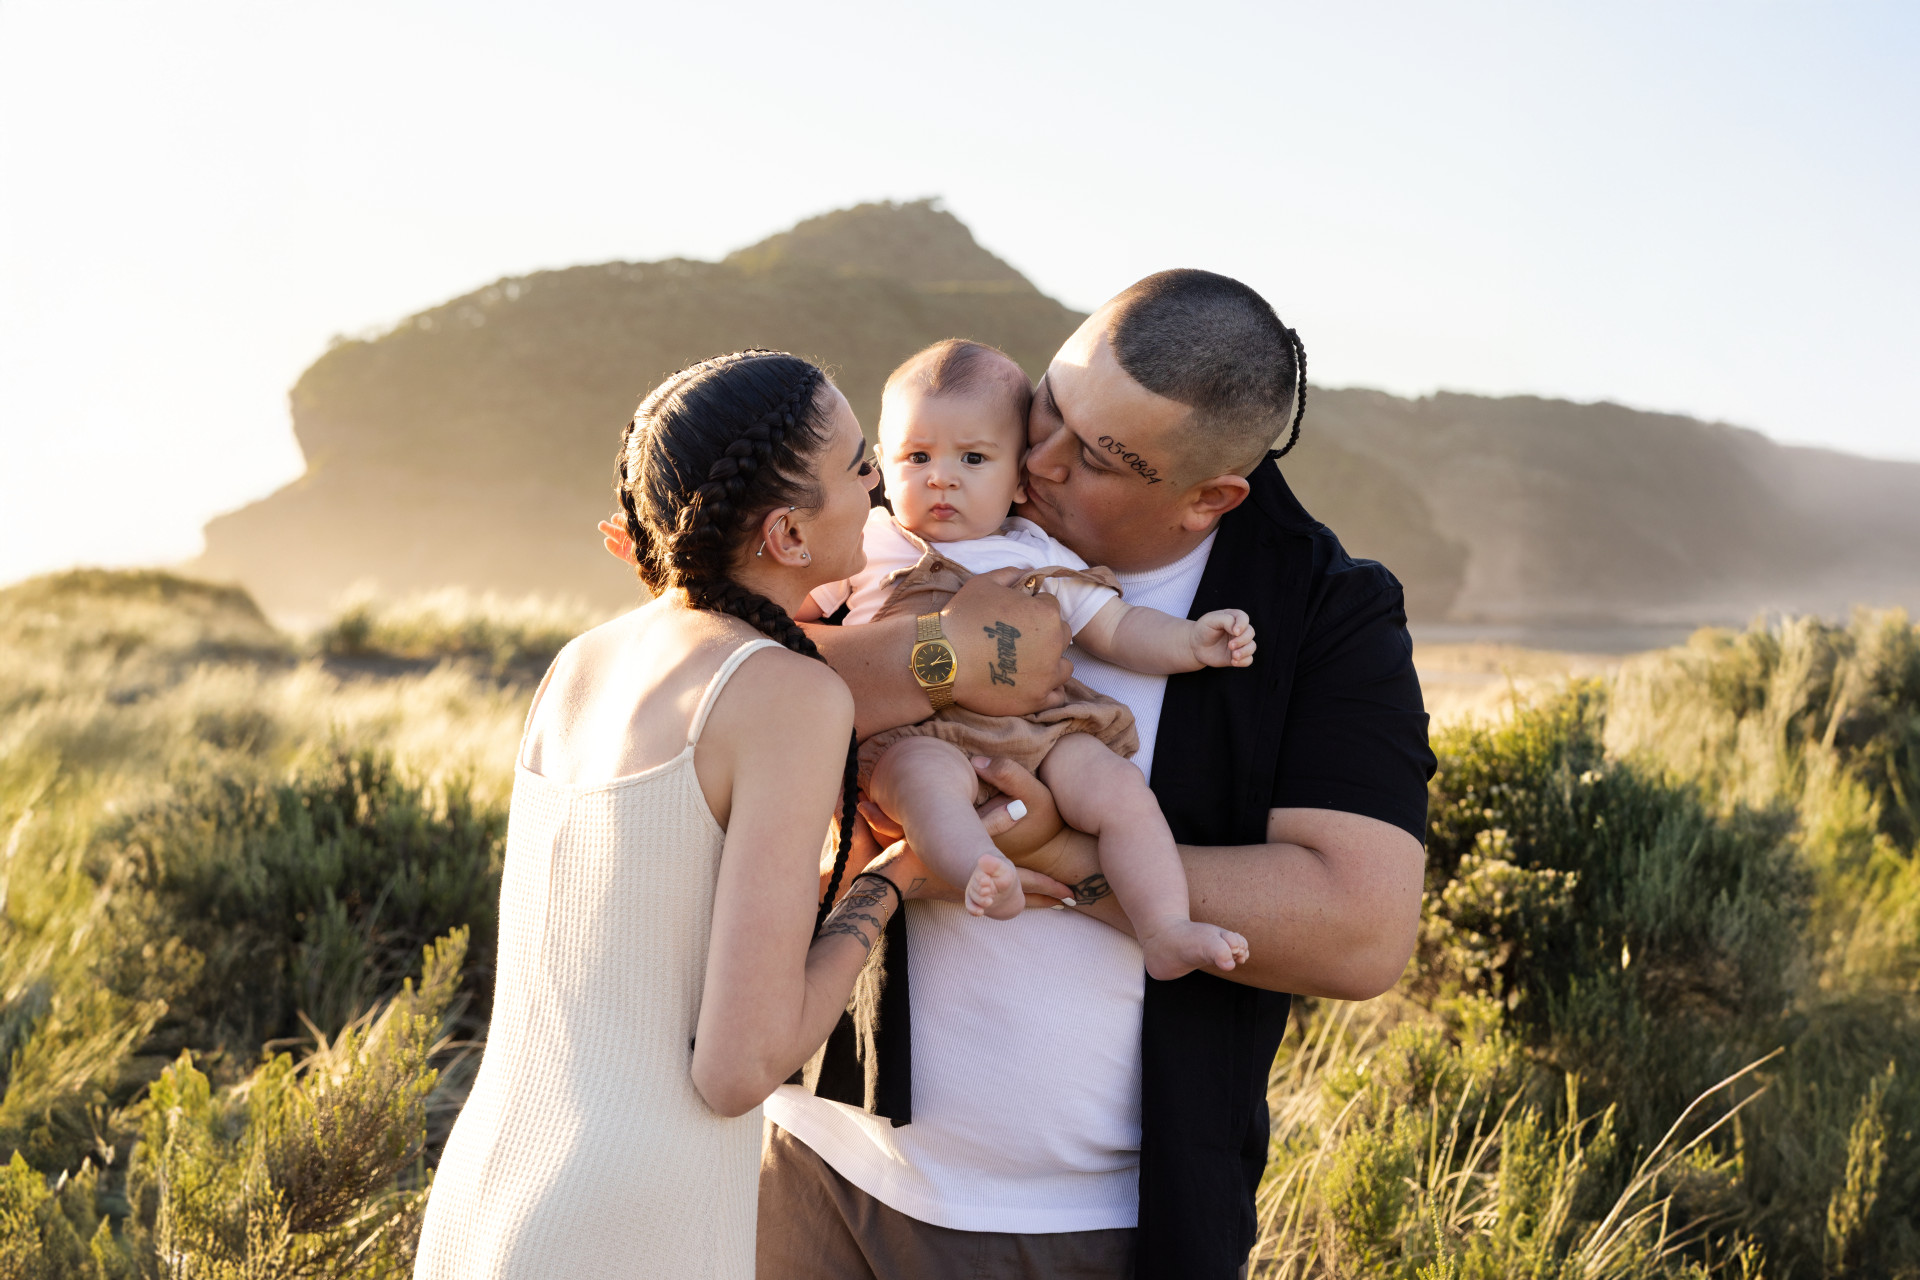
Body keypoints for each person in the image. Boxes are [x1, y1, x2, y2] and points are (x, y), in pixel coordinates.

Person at [751, 271, 1437, 1280]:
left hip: (1068, 1228)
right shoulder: (917, 507)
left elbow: (1360, 928)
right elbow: (737, 669)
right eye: (1052, 408)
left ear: (1210, 494)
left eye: (1099, 457)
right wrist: (943, 660)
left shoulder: (1318, 616)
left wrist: (1050, 847)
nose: (1039, 459)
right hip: (812, 1162)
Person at [414, 350, 1072, 1280]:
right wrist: (896, 880)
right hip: (639, 1222)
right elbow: (736, 1069)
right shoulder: (789, 699)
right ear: (788, 537)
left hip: (486, 1197)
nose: (881, 485)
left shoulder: (582, 662)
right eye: (858, 467)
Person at [803, 338, 1253, 979]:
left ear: (1019, 477)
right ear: (879, 467)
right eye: (917, 456)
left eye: (974, 458)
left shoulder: (1040, 554)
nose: (941, 476)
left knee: (1120, 792)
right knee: (928, 788)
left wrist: (1193, 642)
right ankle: (982, 872)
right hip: (918, 730)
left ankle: (1164, 926)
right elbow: (786, 621)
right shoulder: (868, 543)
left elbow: (1117, 629)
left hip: (1040, 731)